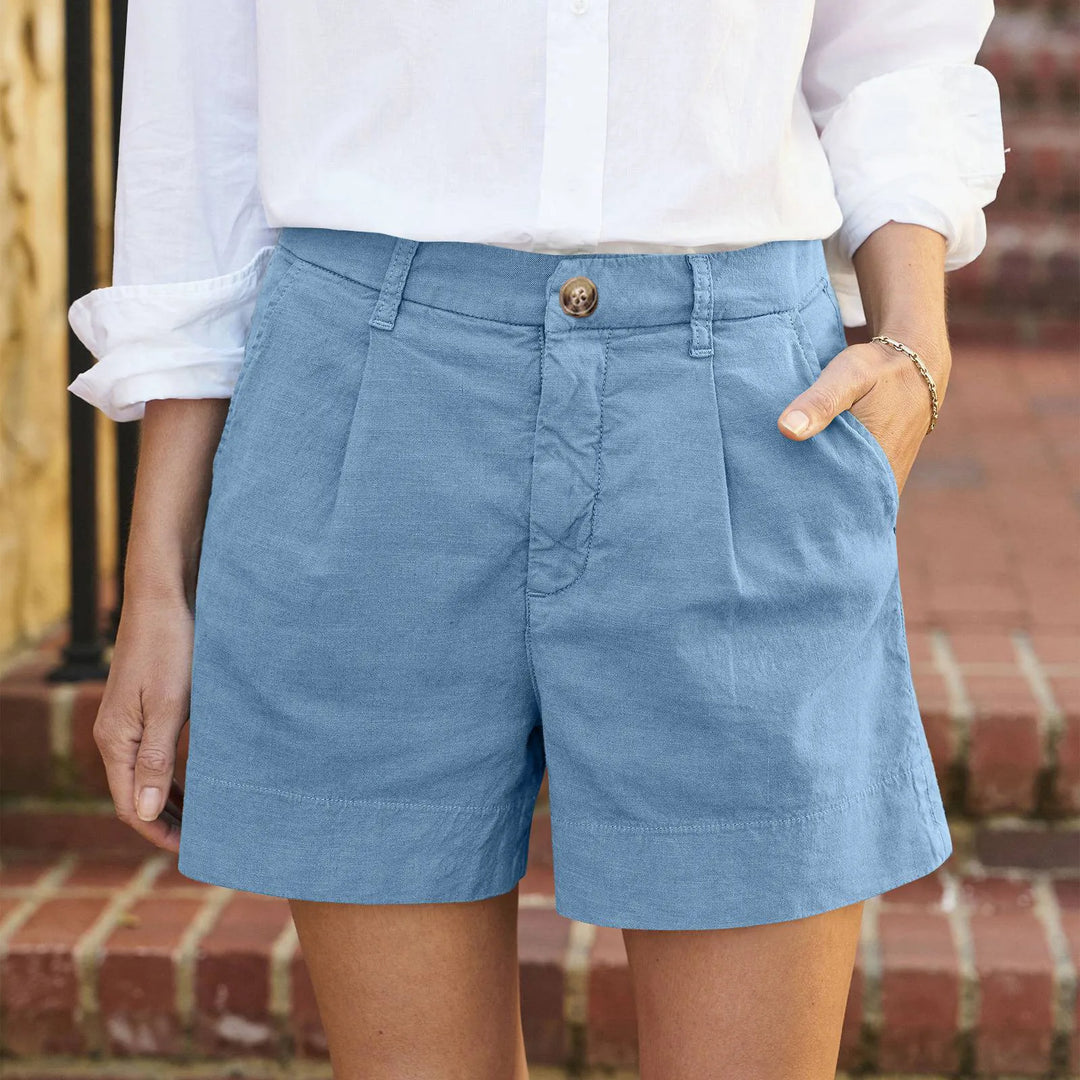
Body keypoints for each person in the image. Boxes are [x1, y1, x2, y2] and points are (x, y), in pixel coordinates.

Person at [67, 2, 1005, 1076]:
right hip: (368, 407)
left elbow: (895, 50)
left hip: (740, 402)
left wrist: (915, 343)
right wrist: (155, 582)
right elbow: (202, 134)